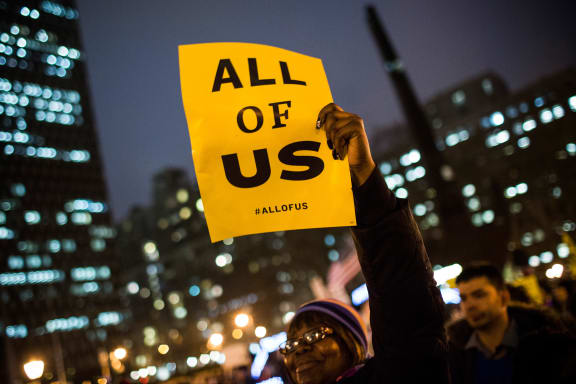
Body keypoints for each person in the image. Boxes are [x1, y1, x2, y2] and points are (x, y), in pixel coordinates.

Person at [280, 103, 450, 383]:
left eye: (314, 335)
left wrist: (364, 177)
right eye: (291, 344)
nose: (300, 350)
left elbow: (401, 295)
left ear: (352, 342)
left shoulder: (395, 374)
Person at [448, 264, 576, 384]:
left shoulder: (551, 344)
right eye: (463, 298)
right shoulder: (454, 354)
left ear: (504, 297)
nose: (469, 305)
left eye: (479, 295)